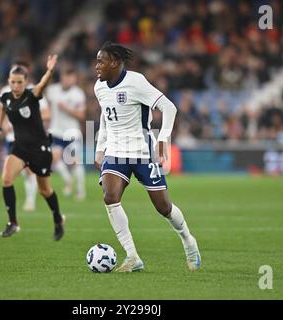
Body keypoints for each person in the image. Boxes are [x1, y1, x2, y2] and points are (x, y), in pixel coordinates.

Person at [94, 42, 201, 272]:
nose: (96, 66)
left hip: (142, 152)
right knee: (110, 196)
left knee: (163, 207)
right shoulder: (99, 87)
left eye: (101, 61)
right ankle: (132, 257)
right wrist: (100, 148)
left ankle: (188, 240)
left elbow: (169, 107)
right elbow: (105, 117)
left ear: (115, 62)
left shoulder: (136, 82)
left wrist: (163, 137)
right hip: (115, 152)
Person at [0, 55, 65, 240]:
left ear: (26, 82)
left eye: (19, 82)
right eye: (13, 82)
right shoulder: (6, 97)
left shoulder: (32, 95)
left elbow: (42, 84)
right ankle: (13, 223)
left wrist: (50, 70)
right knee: (6, 179)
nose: (16, 86)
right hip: (20, 148)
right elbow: (2, 107)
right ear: (9, 81)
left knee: (44, 190)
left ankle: (57, 218)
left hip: (40, 149)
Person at [0, 59, 45, 212]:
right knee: (10, 175)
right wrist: (3, 126)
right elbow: (2, 112)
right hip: (11, 138)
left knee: (29, 170)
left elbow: (45, 113)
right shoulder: (4, 92)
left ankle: (30, 201)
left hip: (28, 140)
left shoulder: (34, 92)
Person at [44, 67, 86, 200]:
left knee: (74, 161)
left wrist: (67, 109)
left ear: (74, 79)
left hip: (72, 132)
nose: (68, 80)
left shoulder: (78, 94)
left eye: (70, 77)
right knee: (54, 157)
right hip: (55, 130)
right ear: (61, 77)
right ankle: (68, 180)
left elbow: (81, 115)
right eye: (65, 77)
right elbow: (48, 109)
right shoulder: (52, 90)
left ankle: (80, 190)